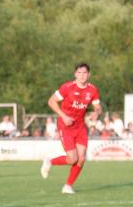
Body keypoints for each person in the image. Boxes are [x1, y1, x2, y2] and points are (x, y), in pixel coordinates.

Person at [40, 63, 101, 194]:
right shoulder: (67, 87)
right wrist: (64, 116)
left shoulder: (92, 90)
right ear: (75, 74)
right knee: (72, 159)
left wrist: (96, 112)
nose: (82, 75)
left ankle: (68, 186)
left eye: (85, 73)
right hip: (65, 125)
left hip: (80, 126)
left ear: (89, 74)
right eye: (79, 73)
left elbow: (97, 106)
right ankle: (49, 161)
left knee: (82, 158)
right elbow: (51, 101)